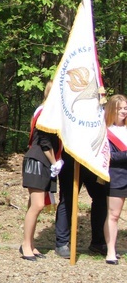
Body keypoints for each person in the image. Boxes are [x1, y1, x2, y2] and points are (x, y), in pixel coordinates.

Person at [20, 81, 61, 261]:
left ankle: (30, 244)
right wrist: (55, 162)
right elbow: (45, 142)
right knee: (37, 205)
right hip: (38, 160)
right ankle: (26, 245)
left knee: (34, 205)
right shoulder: (46, 114)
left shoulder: (48, 113)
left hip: (42, 161)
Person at [54, 155, 108, 257]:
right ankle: (62, 243)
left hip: (93, 160)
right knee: (67, 200)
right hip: (71, 159)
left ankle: (98, 242)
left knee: (101, 199)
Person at [104, 94, 127, 264]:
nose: (124, 111)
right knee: (114, 214)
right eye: (120, 108)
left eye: (126, 108)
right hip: (116, 176)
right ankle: (111, 250)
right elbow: (107, 157)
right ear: (113, 110)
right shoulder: (106, 131)